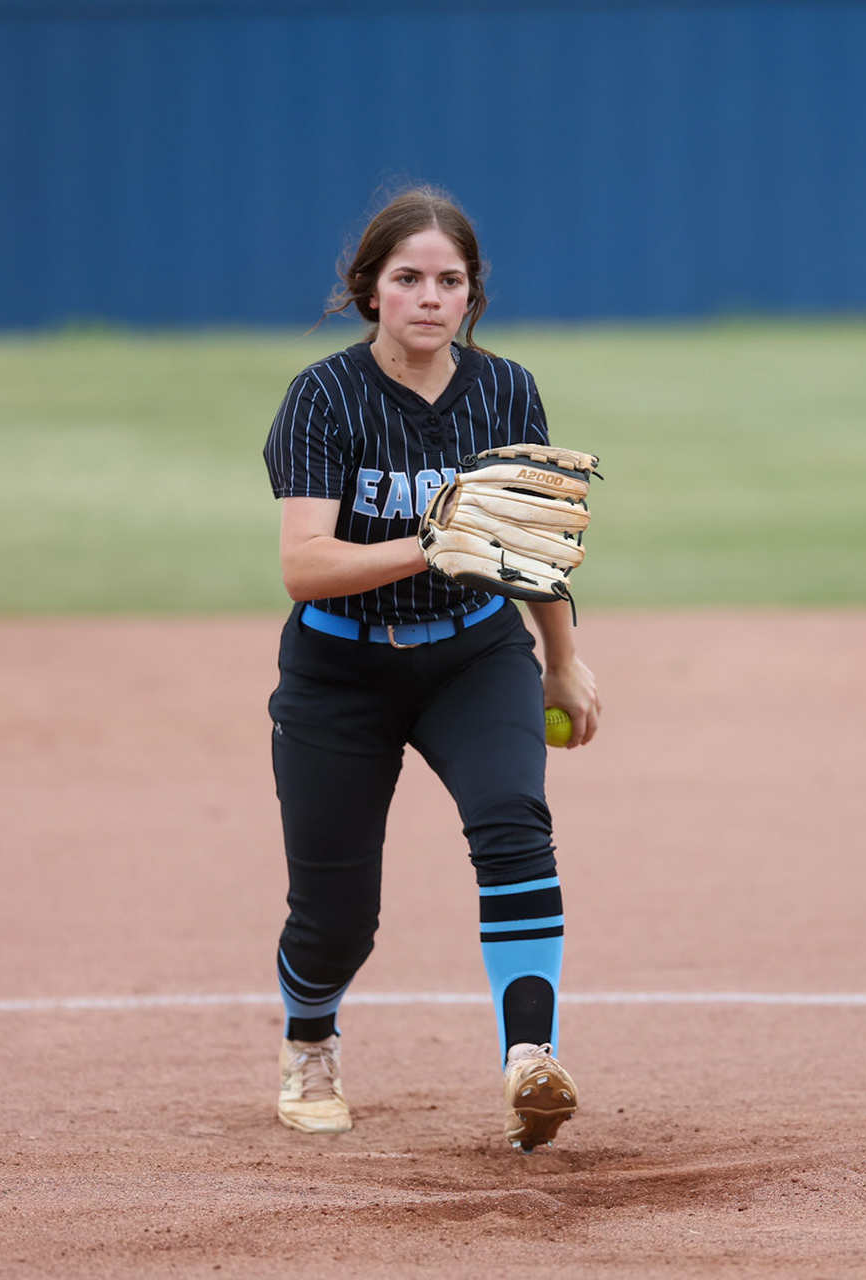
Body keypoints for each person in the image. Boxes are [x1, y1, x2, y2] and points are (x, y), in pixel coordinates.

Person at [259, 186, 600, 1151]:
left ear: (471, 297)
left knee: (515, 831)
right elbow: (303, 566)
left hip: (475, 651)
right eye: (407, 278)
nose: (428, 297)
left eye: (450, 281)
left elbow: (532, 542)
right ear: (370, 290)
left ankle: (530, 1059)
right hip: (339, 670)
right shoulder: (324, 397)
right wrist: (437, 538)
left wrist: (562, 660)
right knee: (337, 916)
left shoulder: (505, 391)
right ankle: (310, 1037)